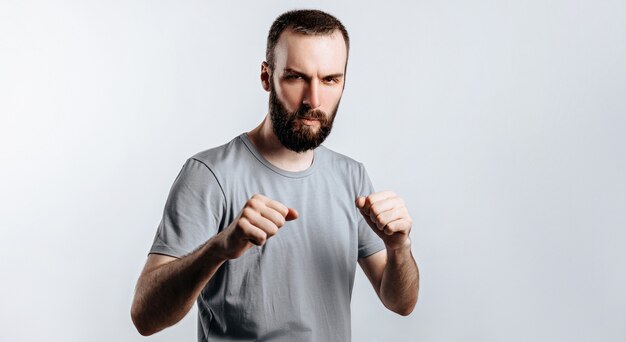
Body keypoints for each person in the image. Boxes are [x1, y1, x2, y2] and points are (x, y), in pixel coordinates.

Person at [131, 9, 419, 342]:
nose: (313, 99)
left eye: (330, 80)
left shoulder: (351, 176)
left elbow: (401, 302)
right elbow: (145, 316)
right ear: (267, 77)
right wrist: (219, 248)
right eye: (296, 77)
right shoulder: (210, 175)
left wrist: (399, 247)